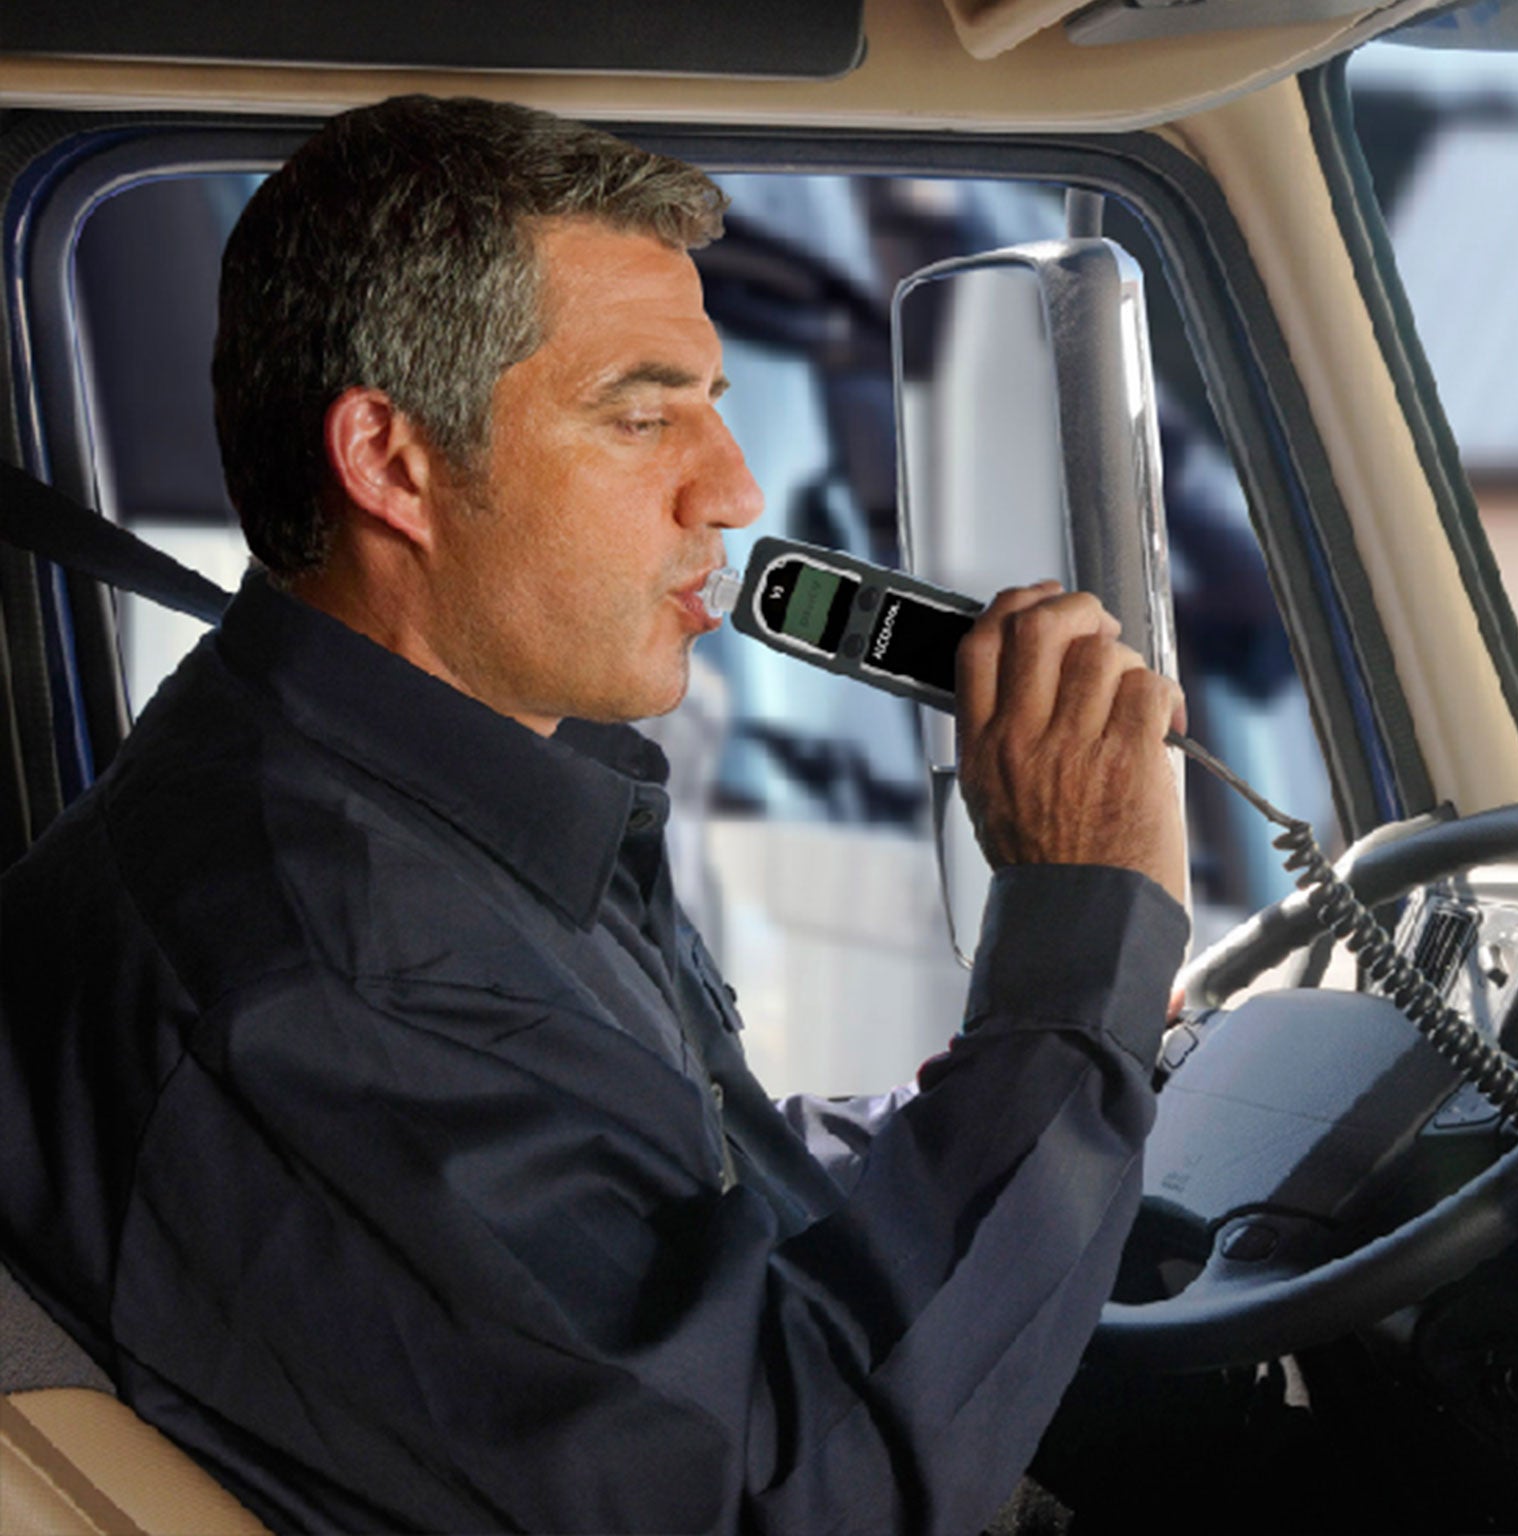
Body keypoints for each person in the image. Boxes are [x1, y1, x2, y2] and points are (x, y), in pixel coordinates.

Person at [0, 96, 1189, 1534]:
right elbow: (792, 1498)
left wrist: (1030, 1115)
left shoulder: (417, 808)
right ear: (391, 463)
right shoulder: (326, 973)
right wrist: (1075, 955)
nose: (733, 493)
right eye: (642, 417)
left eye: (715, 408)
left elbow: (651, 1199)